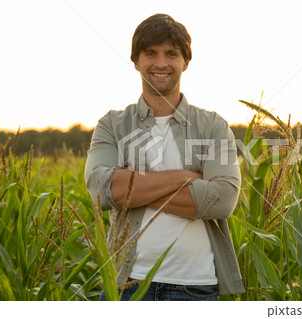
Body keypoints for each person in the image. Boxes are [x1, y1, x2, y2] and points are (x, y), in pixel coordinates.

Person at [84, 13, 243, 301]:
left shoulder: (213, 126)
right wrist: (184, 178)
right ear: (136, 61)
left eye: (171, 53)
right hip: (126, 286)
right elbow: (101, 190)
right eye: (150, 53)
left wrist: (133, 188)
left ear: (185, 62)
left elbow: (222, 199)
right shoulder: (112, 125)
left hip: (195, 287)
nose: (161, 63)